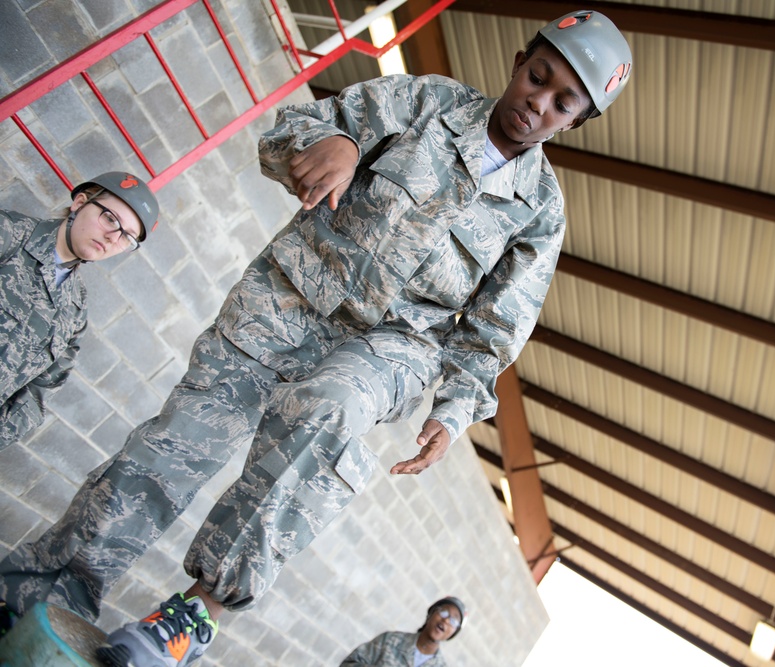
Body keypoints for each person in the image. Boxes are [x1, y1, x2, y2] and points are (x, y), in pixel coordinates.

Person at [0, 10, 632, 667]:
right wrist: (340, 147)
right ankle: (38, 590)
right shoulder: (424, 100)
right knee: (169, 451)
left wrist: (453, 409)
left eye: (563, 102)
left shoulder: (541, 213)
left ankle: (190, 616)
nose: (539, 101)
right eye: (538, 76)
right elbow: (294, 133)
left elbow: (496, 326)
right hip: (287, 299)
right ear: (519, 60)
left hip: (393, 344)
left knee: (329, 411)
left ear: (576, 121)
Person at [0, 172, 159, 449]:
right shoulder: (9, 235)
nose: (113, 238)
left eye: (127, 238)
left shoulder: (75, 313)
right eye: (111, 219)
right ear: (80, 203)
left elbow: (38, 395)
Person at [339, 597, 465, 667]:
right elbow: (348, 664)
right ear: (431, 614)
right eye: (444, 612)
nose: (447, 620)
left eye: (454, 621)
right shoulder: (390, 640)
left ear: (453, 633)